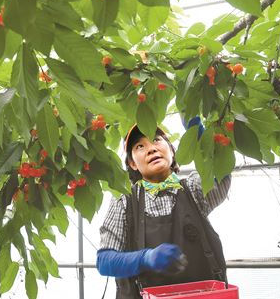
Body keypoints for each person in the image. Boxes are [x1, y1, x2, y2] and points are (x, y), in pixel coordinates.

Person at [96, 123, 231, 299]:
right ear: (132, 163)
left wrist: (195, 126)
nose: (151, 149)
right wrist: (146, 258)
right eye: (140, 146)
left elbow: (221, 170)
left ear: (172, 151)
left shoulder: (193, 189)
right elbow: (104, 261)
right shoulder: (125, 201)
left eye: (156, 140)